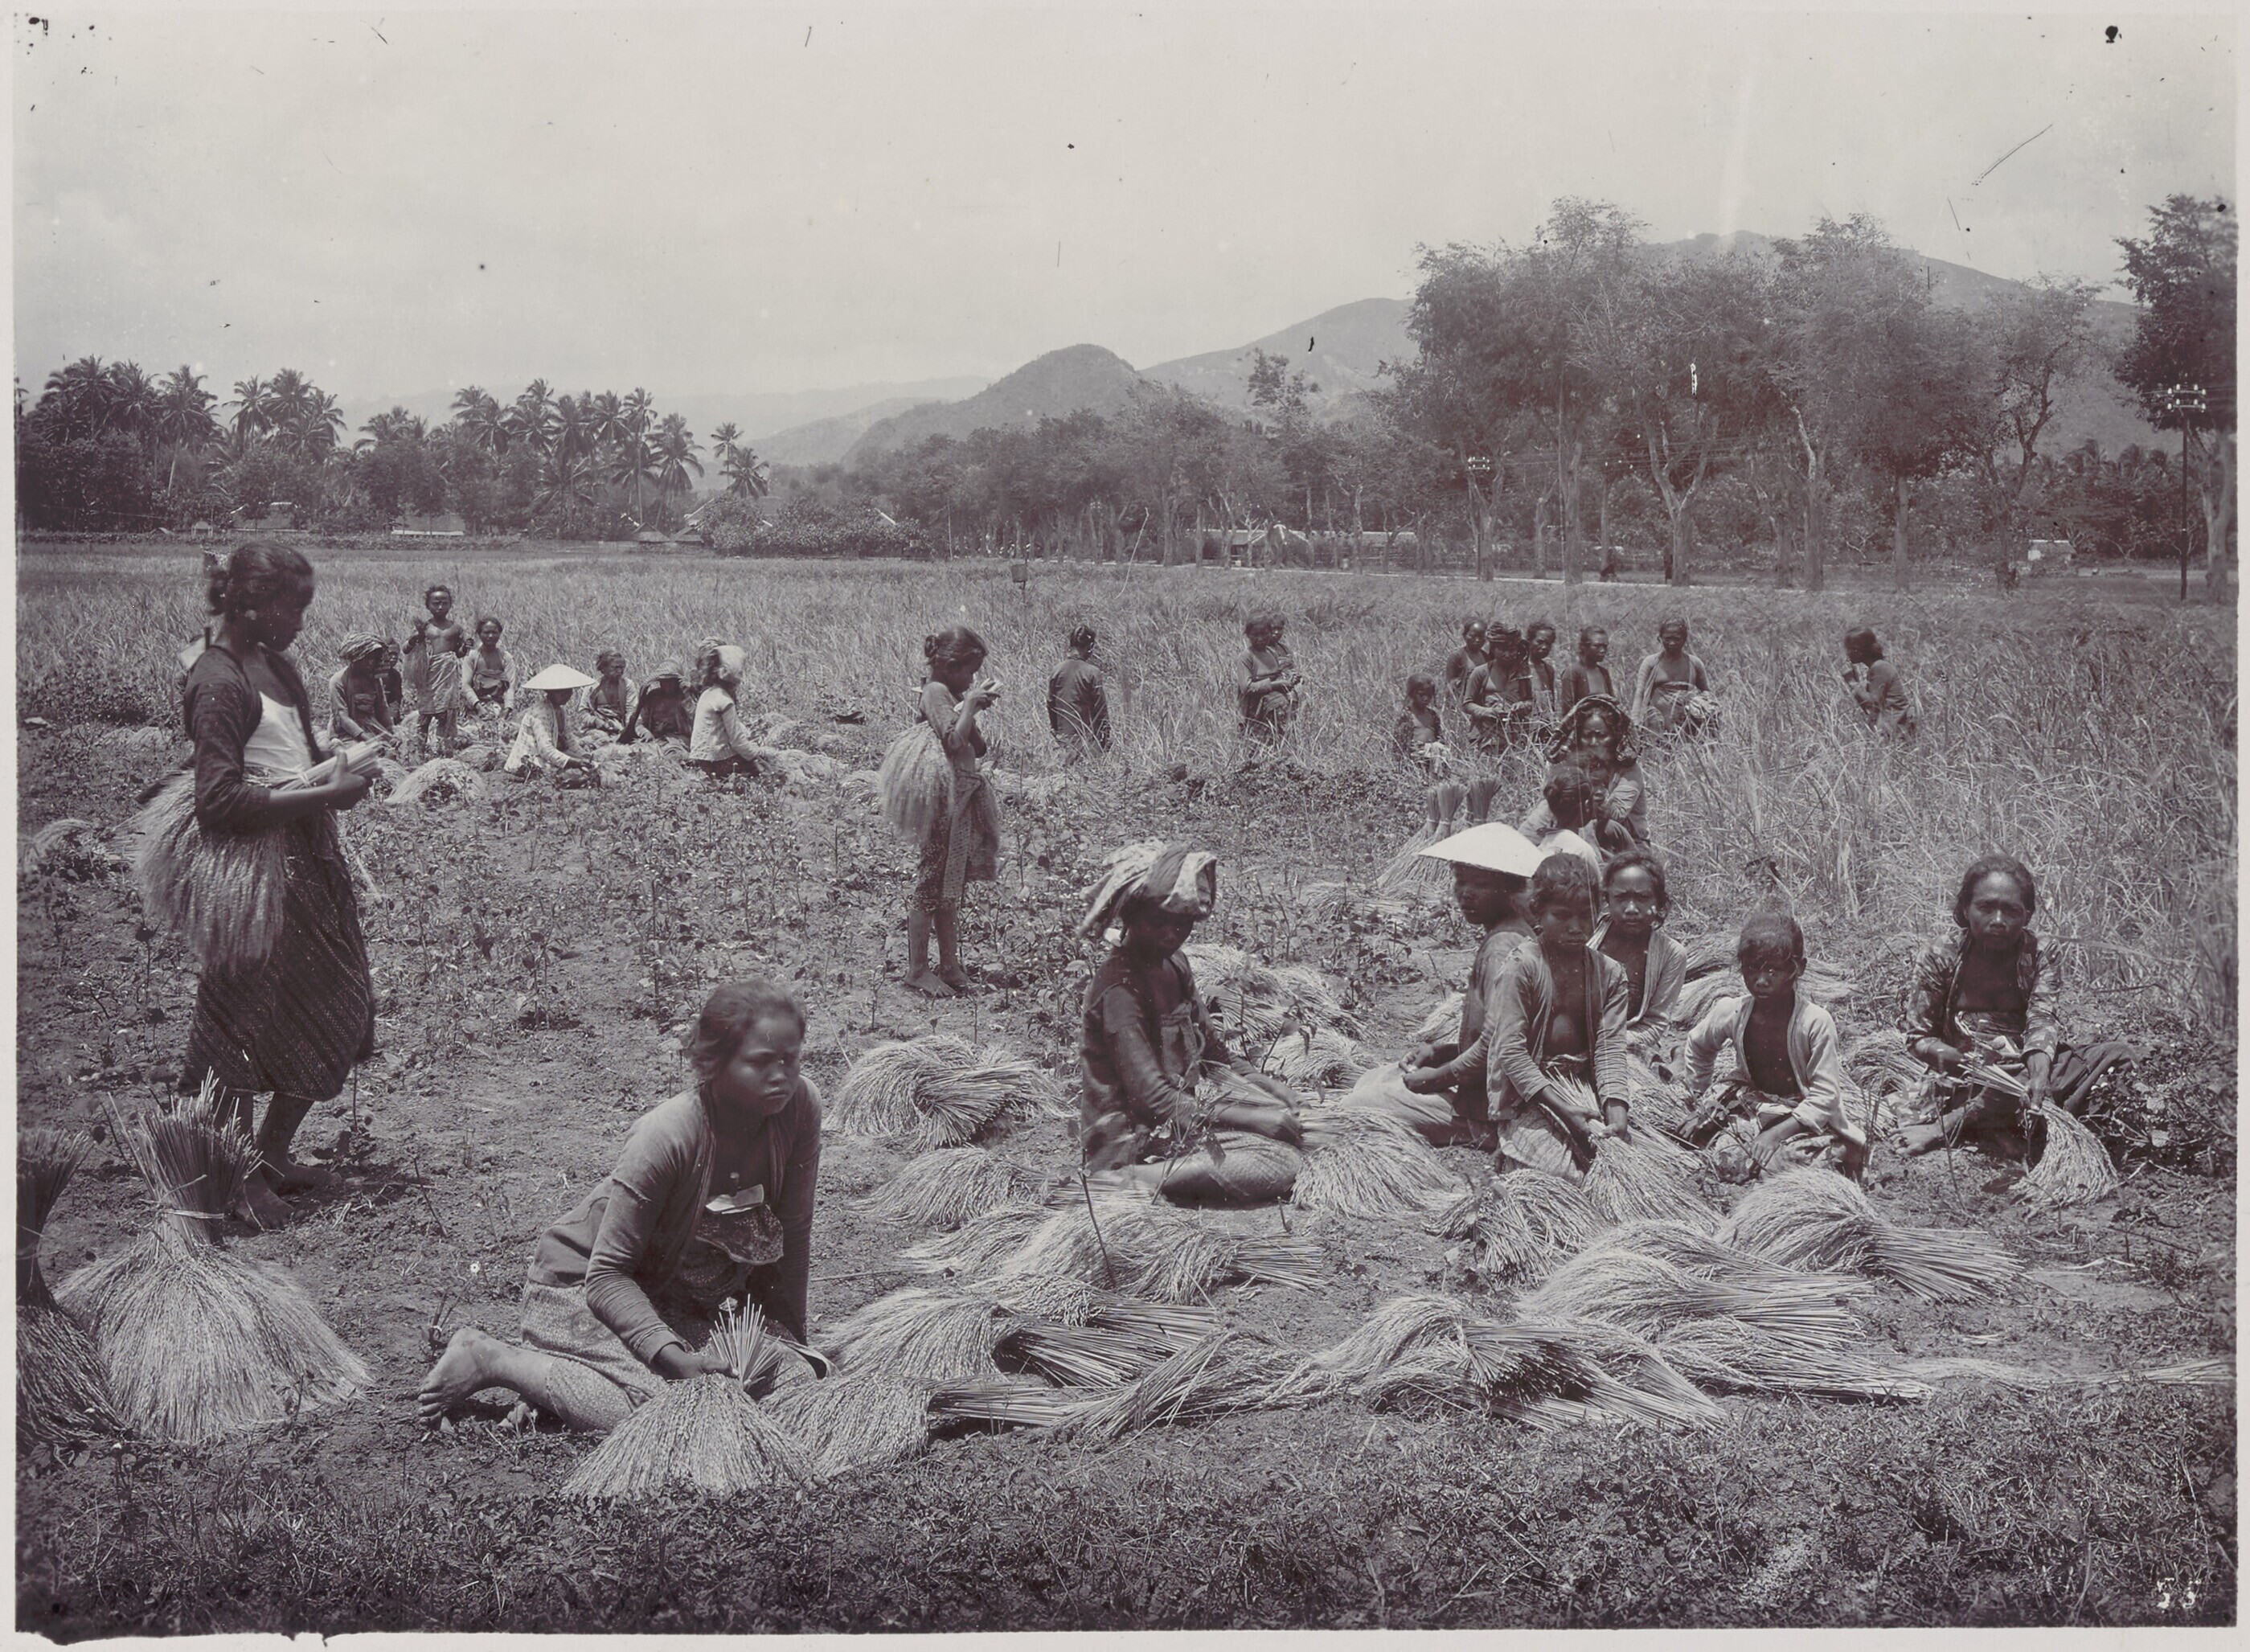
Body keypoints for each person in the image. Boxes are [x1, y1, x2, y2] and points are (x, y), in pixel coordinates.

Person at [416, 980, 824, 1434]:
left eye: (791, 1058)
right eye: (761, 1062)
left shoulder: (799, 1109)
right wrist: (673, 1358)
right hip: (580, 1288)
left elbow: (793, 1233)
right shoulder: (667, 1136)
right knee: (665, 1411)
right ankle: (494, 1359)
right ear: (715, 1062)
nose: (781, 1076)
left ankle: (570, 1382)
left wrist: (793, 1339)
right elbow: (607, 1275)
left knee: (796, 1379)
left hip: (672, 1299)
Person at [174, 543, 375, 1225]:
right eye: (295, 607)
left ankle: (272, 1153)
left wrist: (336, 769)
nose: (301, 621)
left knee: (343, 1002)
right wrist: (326, 795)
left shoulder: (278, 667)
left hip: (309, 859)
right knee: (242, 1024)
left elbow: (301, 754)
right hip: (254, 872)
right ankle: (235, 1178)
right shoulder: (218, 680)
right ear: (253, 604)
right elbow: (217, 801)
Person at [1076, 842, 1305, 1203]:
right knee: (1279, 1162)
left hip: (1177, 1124)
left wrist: (1268, 1087)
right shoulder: (1119, 989)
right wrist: (1250, 1118)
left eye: (1183, 925)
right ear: (1130, 916)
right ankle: (1126, 1178)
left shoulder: (1175, 964)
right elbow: (1153, 1099)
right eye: (1157, 922)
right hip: (1132, 1139)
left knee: (1290, 1130)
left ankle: (1172, 1171)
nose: (1171, 934)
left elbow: (1214, 1055)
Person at [1898, 857, 2131, 1158]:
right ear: (1965, 909)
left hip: (2024, 1062)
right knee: (2007, 1083)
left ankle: (2025, 1114)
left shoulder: (2041, 951)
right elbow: (1918, 1039)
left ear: (2027, 915)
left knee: (2119, 1055)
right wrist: (1972, 1063)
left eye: (2011, 911)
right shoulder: (1941, 955)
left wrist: (2039, 1074)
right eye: (1986, 907)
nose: (1998, 920)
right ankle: (1955, 1124)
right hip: (1964, 1074)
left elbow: (2042, 1019)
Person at [1678, 908, 1867, 1180]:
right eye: (1752, 968)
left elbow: (1825, 1097)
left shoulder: (1815, 1022)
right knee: (1722, 1159)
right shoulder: (1732, 1011)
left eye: (1773, 970)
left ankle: (1840, 1152)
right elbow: (1699, 1045)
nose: (1761, 980)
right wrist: (1700, 1097)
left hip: (1802, 1114)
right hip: (1755, 1103)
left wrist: (1774, 1135)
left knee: (1784, 1168)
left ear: (1798, 968)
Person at [1482, 854, 1633, 1179]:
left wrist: (1616, 1108)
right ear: (1537, 911)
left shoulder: (1610, 974)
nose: (1576, 927)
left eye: (1586, 916)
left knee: (1627, 1161)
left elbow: (1609, 1049)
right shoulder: (1522, 967)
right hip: (1531, 1094)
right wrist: (1563, 1110)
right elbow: (1511, 1051)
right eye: (1562, 916)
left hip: (1584, 1085)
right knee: (1567, 1176)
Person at [1397, 822, 1544, 1148]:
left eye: (1480, 884)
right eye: (1461, 880)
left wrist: (1438, 1078)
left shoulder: (1501, 949)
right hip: (1481, 1091)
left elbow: (1500, 1045)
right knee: (1380, 1078)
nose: (1465, 893)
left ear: (1509, 889)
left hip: (1484, 1113)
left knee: (1362, 1101)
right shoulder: (1510, 934)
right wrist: (1442, 1052)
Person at [1594, 848, 1687, 1038]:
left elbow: (1655, 1024)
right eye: (1621, 898)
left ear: (1659, 902)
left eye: (1643, 898)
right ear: (1607, 899)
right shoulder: (1587, 934)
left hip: (1626, 1043)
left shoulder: (1671, 954)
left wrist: (1608, 1044)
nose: (1631, 909)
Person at [1549, 695, 1649, 847]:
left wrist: (1597, 793)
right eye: (1586, 736)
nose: (1593, 743)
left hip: (1628, 844)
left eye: (1601, 736)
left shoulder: (1629, 770)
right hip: (1578, 837)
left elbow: (1617, 815)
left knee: (1608, 827)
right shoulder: (1572, 765)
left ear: (1614, 737)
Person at [687, 641, 780, 779]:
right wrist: (757, 757)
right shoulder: (725, 701)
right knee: (767, 766)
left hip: (701, 759)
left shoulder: (707, 694)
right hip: (717, 761)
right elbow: (738, 742)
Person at [505, 665, 600, 783]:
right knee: (574, 775)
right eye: (561, 693)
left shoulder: (560, 711)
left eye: (569, 691)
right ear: (550, 692)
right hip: (529, 761)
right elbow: (546, 750)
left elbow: (569, 740)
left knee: (590, 767)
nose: (567, 696)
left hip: (547, 757)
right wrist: (577, 762)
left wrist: (584, 755)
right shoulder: (540, 713)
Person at [402, 584, 469, 754]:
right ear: (428, 606)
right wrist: (415, 638)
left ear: (450, 605)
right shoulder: (424, 628)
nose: (440, 607)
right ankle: (419, 750)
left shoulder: (456, 628)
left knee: (446, 713)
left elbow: (459, 653)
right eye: (436, 603)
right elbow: (406, 649)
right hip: (427, 675)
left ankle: (445, 750)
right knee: (425, 714)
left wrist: (466, 647)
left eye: (444, 603)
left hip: (447, 676)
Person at [1631, 615, 1715, 738]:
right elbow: (1640, 693)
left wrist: (1703, 708)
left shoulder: (1694, 663)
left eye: (1677, 639)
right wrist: (1635, 721)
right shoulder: (1651, 663)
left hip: (1686, 725)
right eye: (1667, 639)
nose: (1672, 643)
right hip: (1656, 725)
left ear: (1685, 639)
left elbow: (1706, 692)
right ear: (1660, 638)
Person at [1517, 758, 1610, 868]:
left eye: (1604, 785)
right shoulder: (1576, 814)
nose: (1600, 791)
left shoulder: (1556, 801)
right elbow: (1595, 860)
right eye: (1595, 784)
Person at [1464, 625, 1535, 753]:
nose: (1507, 654)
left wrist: (1521, 706)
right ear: (1493, 649)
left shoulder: (1522, 674)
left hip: (1516, 736)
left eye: (1512, 650)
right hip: (1487, 736)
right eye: (1502, 650)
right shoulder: (1480, 672)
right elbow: (1467, 704)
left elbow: (1531, 701)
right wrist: (1487, 712)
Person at [1047, 624, 1112, 758]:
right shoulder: (1093, 673)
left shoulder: (1056, 671)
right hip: (1088, 743)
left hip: (1064, 743)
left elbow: (1051, 705)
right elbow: (1101, 710)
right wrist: (1105, 739)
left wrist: (1057, 733)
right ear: (1090, 647)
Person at [1236, 613, 1300, 739]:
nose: (1260, 639)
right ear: (1248, 635)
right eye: (1255, 635)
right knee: (1256, 744)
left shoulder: (1272, 652)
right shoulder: (1246, 657)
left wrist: (1289, 679)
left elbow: (1277, 675)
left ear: (1270, 633)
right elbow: (1246, 687)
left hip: (1275, 705)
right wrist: (1277, 685)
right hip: (1255, 708)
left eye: (1264, 634)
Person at [1843, 627, 1915, 736]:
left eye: (1851, 649)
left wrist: (1852, 682)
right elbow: (1869, 708)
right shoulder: (1877, 667)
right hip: (1891, 729)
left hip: (1896, 730)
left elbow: (1874, 703)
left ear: (1861, 650)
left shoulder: (1879, 667)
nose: (1848, 653)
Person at [327, 633, 395, 743]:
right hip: (346, 732)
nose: (371, 662)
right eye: (367, 658)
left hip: (372, 727)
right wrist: (366, 739)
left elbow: (382, 708)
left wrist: (391, 732)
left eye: (373, 658)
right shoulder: (338, 681)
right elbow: (342, 717)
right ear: (356, 658)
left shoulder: (375, 680)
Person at [465, 617, 520, 730]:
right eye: (486, 632)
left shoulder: (506, 658)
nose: (490, 636)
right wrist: (478, 707)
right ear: (479, 634)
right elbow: (466, 686)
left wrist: (506, 712)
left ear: (500, 634)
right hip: (476, 707)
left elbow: (510, 688)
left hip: (500, 706)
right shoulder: (472, 657)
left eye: (494, 632)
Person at [624, 660, 693, 746]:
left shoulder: (685, 697)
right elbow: (639, 723)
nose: (667, 685)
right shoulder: (653, 696)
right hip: (655, 740)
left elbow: (695, 721)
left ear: (677, 681)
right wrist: (646, 733)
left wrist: (688, 696)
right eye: (664, 681)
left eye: (671, 681)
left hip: (680, 741)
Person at [583, 650, 637, 741]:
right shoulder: (592, 688)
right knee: (598, 739)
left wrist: (627, 728)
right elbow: (583, 713)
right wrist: (596, 721)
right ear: (603, 669)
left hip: (620, 728)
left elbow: (631, 710)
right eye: (615, 668)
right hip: (597, 729)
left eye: (622, 667)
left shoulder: (627, 685)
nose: (620, 671)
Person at [1560, 626, 1616, 715]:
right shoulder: (1573, 672)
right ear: (1583, 647)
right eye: (1597, 646)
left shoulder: (1604, 673)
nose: (1603, 650)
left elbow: (1612, 704)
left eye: (1605, 646)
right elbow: (1568, 708)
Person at [1391, 672, 1445, 760]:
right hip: (1415, 758)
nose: (1425, 698)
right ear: (1412, 694)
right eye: (1421, 695)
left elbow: (1439, 736)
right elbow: (1400, 745)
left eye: (1429, 695)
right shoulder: (1407, 716)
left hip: (1433, 757)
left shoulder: (1433, 715)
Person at [1443, 620, 1490, 704]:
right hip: (1464, 701)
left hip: (1482, 701)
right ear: (1465, 636)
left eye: (1481, 637)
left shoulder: (1486, 656)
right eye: (1473, 636)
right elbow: (1450, 684)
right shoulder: (1457, 657)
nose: (1477, 640)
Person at [1524, 620, 1560, 722]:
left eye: (1548, 644)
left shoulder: (1548, 670)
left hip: (1545, 724)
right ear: (1529, 641)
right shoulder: (1518, 668)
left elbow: (1551, 704)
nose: (1545, 647)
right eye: (1540, 642)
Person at [376, 639, 405, 727]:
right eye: (391, 654)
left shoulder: (395, 675)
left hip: (388, 715)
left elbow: (395, 699)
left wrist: (392, 716)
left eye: (396, 654)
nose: (394, 657)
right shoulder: (373, 672)